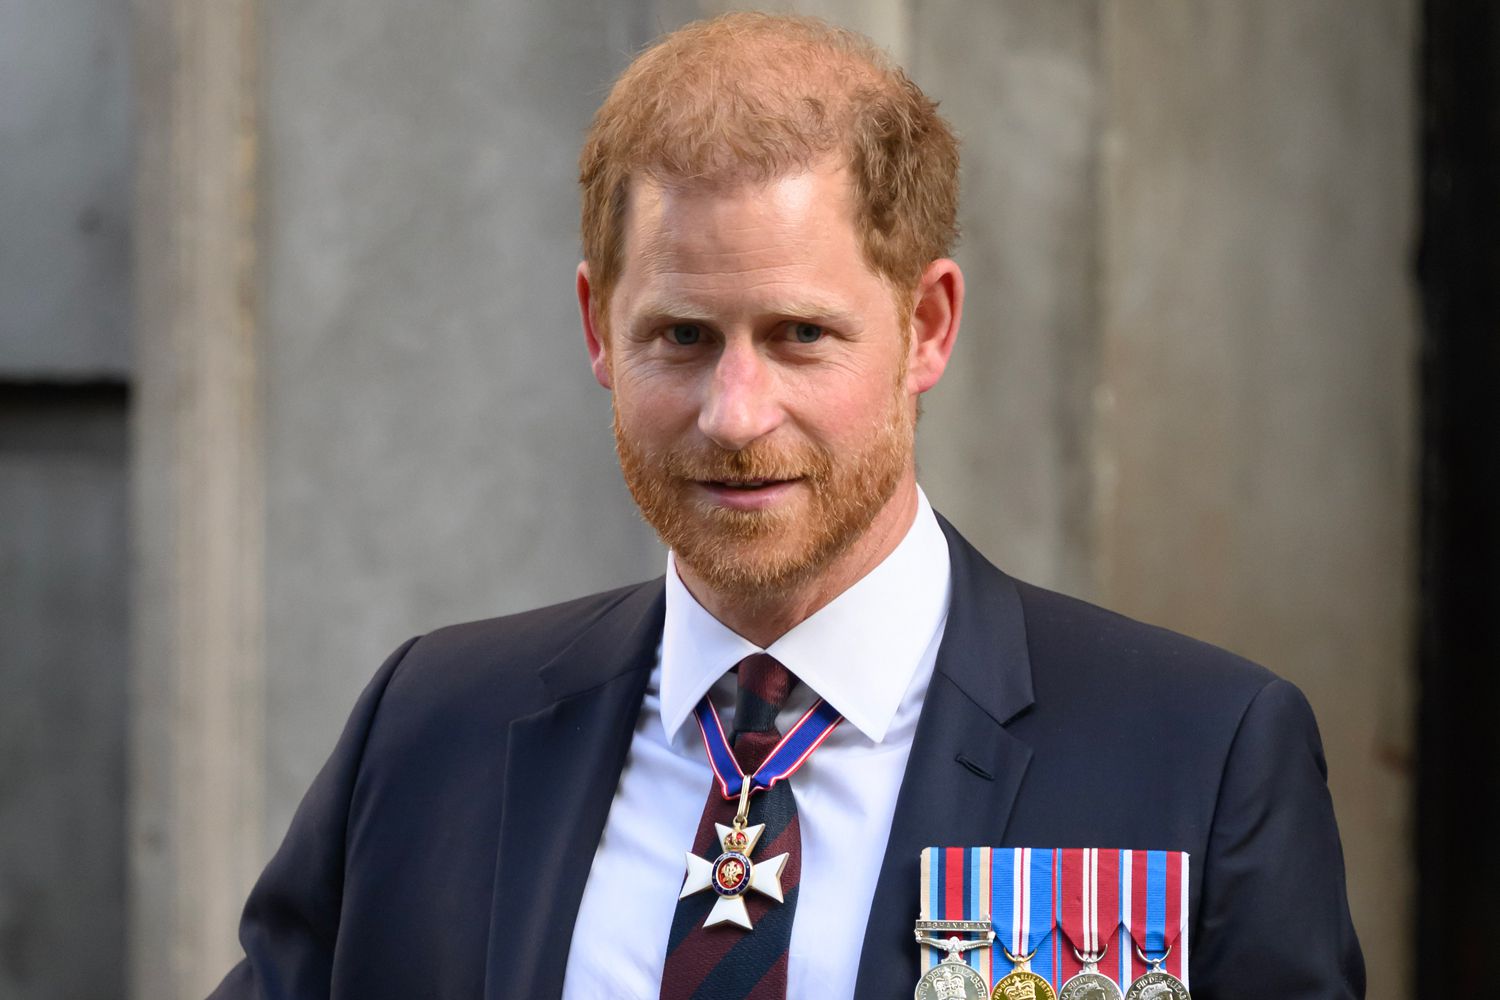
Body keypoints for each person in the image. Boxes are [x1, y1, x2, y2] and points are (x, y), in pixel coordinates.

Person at [210, 12, 1363, 1000]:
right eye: (682, 336)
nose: (735, 413)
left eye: (800, 335)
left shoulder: (1194, 753)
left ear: (928, 327)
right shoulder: (430, 732)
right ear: (595, 329)